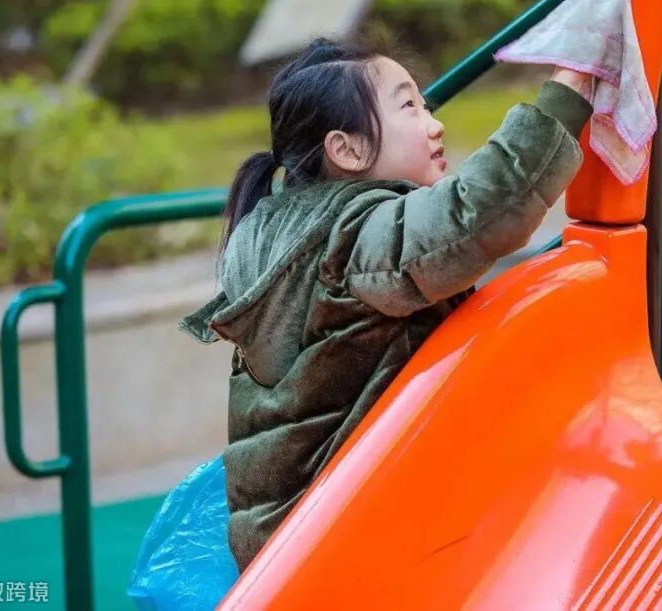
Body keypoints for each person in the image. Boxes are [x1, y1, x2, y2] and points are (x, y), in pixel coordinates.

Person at [179, 38, 593, 572]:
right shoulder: (352, 236)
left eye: (427, 105)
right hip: (348, 533)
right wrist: (570, 87)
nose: (435, 125)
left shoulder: (273, 229)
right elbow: (474, 213)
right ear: (347, 150)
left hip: (295, 535)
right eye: (408, 107)